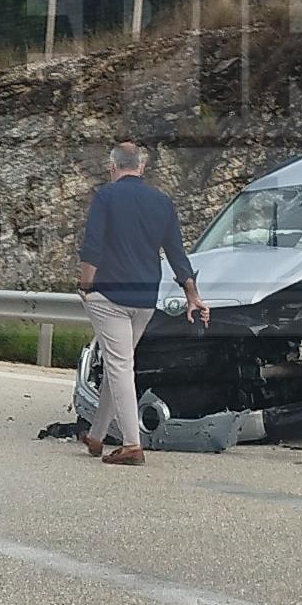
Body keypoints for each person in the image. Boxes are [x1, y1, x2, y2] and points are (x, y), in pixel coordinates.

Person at [75, 141, 206, 465]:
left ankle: (132, 445)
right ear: (142, 167)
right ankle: (96, 436)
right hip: (146, 298)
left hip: (110, 296)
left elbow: (92, 246)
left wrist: (85, 284)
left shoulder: (106, 196)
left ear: (112, 166)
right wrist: (192, 295)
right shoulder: (162, 202)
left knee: (120, 365)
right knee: (118, 362)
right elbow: (176, 251)